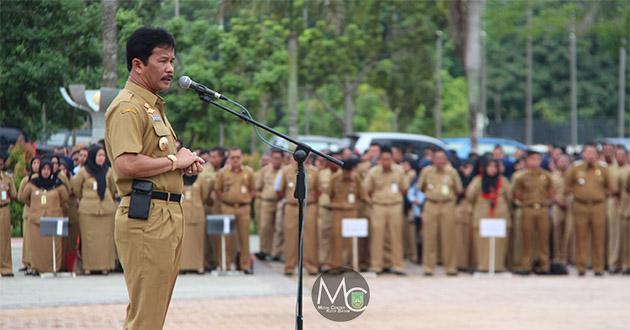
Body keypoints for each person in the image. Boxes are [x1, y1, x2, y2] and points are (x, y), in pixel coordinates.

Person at [104, 27, 204, 329]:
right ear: (138, 65)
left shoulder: (153, 108)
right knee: (146, 316)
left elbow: (155, 161)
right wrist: (175, 160)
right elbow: (126, 165)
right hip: (146, 218)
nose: (171, 68)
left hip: (165, 215)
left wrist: (179, 166)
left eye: (172, 60)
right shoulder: (127, 108)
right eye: (162, 60)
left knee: (154, 313)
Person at [565, 144, 611, 276]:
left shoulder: (603, 169)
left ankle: (598, 267)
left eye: (593, 153)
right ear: (583, 154)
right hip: (580, 205)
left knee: (598, 237)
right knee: (580, 237)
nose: (590, 155)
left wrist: (600, 195)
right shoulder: (576, 168)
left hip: (598, 206)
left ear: (597, 155)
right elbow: (567, 186)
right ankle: (581, 266)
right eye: (588, 152)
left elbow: (610, 187)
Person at [71, 145, 117, 275]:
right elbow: (76, 188)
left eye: (103, 155)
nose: (101, 158)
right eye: (99, 155)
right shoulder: (83, 172)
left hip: (106, 210)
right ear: (93, 156)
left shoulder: (108, 171)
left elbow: (113, 188)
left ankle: (105, 266)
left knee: (106, 239)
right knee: (89, 240)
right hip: (88, 211)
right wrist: (85, 199)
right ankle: (88, 266)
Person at [417, 149, 463, 276]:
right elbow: (421, 187)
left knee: (449, 237)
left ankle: (450, 267)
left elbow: (458, 189)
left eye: (442, 158)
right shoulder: (426, 171)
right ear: (433, 159)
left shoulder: (452, 172)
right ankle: (428, 268)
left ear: (446, 159)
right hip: (431, 204)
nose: (439, 161)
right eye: (437, 158)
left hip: (447, 205)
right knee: (429, 237)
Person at [19, 159, 69, 274]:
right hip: (37, 220)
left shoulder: (57, 183)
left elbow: (64, 198)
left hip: (54, 219)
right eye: (44, 169)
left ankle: (54, 267)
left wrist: (54, 206)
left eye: (48, 169)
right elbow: (23, 197)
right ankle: (37, 268)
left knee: (53, 245)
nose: (46, 172)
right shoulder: (33, 183)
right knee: (37, 246)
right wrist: (34, 207)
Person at [364, 146, 408, 275]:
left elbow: (404, 188)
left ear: (392, 159)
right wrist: (373, 201)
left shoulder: (399, 171)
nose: (386, 162)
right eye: (383, 159)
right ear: (379, 159)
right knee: (377, 236)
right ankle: (376, 265)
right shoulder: (373, 172)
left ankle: (398, 265)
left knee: (396, 236)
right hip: (378, 205)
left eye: (388, 159)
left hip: (395, 205)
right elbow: (367, 189)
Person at [276, 154, 320, 275]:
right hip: (291, 207)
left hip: (309, 206)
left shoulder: (315, 171)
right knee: (290, 236)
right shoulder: (285, 171)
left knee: (310, 237)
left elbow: (319, 190)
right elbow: (279, 190)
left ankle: (311, 266)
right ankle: (289, 266)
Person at [466, 158, 512, 272]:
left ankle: (498, 266)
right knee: (482, 242)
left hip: (499, 216)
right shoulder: (478, 180)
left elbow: (510, 197)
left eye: (494, 167)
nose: (492, 169)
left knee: (500, 243)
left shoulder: (503, 181)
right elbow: (470, 196)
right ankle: (483, 266)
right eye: (489, 167)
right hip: (483, 215)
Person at [512, 150, 554, 274]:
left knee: (543, 239)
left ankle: (544, 265)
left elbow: (551, 192)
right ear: (527, 161)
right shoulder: (521, 177)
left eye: (537, 159)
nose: (535, 162)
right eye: (532, 159)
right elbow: (518, 194)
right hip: (528, 208)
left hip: (542, 208)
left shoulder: (547, 175)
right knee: (527, 238)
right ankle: (526, 265)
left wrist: (546, 202)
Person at [214, 148, 254, 274]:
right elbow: (217, 190)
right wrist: (226, 199)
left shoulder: (249, 172)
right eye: (233, 157)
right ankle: (225, 264)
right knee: (227, 237)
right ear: (229, 158)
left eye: (238, 157)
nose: (235, 160)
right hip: (227, 207)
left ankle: (245, 265)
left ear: (242, 158)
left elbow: (253, 190)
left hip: (243, 208)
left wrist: (245, 199)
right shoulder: (222, 173)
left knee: (244, 238)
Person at [328, 157, 363, 269]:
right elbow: (330, 194)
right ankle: (336, 265)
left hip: (352, 211)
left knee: (351, 240)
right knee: (336, 239)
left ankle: (352, 264)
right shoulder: (334, 178)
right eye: (346, 171)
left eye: (350, 171)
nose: (348, 174)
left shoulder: (356, 178)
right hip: (338, 211)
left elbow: (361, 193)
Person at [254, 149, 284, 261]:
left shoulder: (285, 171)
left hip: (280, 202)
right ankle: (264, 250)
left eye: (278, 158)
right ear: (270, 158)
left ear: (282, 159)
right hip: (266, 201)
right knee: (265, 226)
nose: (276, 161)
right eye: (274, 158)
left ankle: (277, 252)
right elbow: (258, 187)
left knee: (279, 228)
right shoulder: (265, 171)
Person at [180, 171, 212, 273]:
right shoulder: (179, 178)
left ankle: (198, 265)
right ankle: (182, 266)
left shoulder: (201, 179)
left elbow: (205, 195)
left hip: (197, 214)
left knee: (198, 241)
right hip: (183, 214)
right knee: (182, 242)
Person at [18, 156, 39, 274]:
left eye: (38, 163)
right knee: (27, 239)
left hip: (39, 213)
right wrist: (30, 203)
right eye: (34, 163)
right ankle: (26, 262)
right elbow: (21, 196)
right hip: (28, 212)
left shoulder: (43, 179)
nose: (36, 165)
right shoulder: (26, 180)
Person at [0, 153, 17, 277]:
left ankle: (6, 267)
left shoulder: (7, 178)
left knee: (5, 239)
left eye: (1, 160)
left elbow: (14, 195)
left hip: (4, 208)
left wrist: (6, 187)